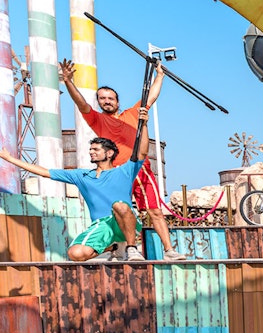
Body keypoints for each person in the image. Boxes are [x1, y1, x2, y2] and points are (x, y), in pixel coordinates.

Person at [57, 59, 186, 261]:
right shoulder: (97, 120)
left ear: (117, 101)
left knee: (154, 210)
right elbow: (81, 103)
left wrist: (160, 75)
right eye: (102, 98)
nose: (106, 101)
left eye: (110, 98)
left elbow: (150, 97)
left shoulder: (132, 114)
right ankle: (115, 248)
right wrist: (68, 82)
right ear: (99, 102)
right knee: (113, 213)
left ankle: (169, 250)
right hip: (116, 174)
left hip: (139, 169)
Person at [0, 110, 151, 262]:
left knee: (120, 206)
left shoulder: (124, 171)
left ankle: (131, 249)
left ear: (109, 153)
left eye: (96, 149)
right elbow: (45, 172)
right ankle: (113, 247)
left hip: (126, 222)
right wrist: (10, 159)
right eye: (90, 149)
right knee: (75, 254)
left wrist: (143, 124)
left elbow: (142, 152)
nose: (91, 152)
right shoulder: (82, 176)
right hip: (102, 225)